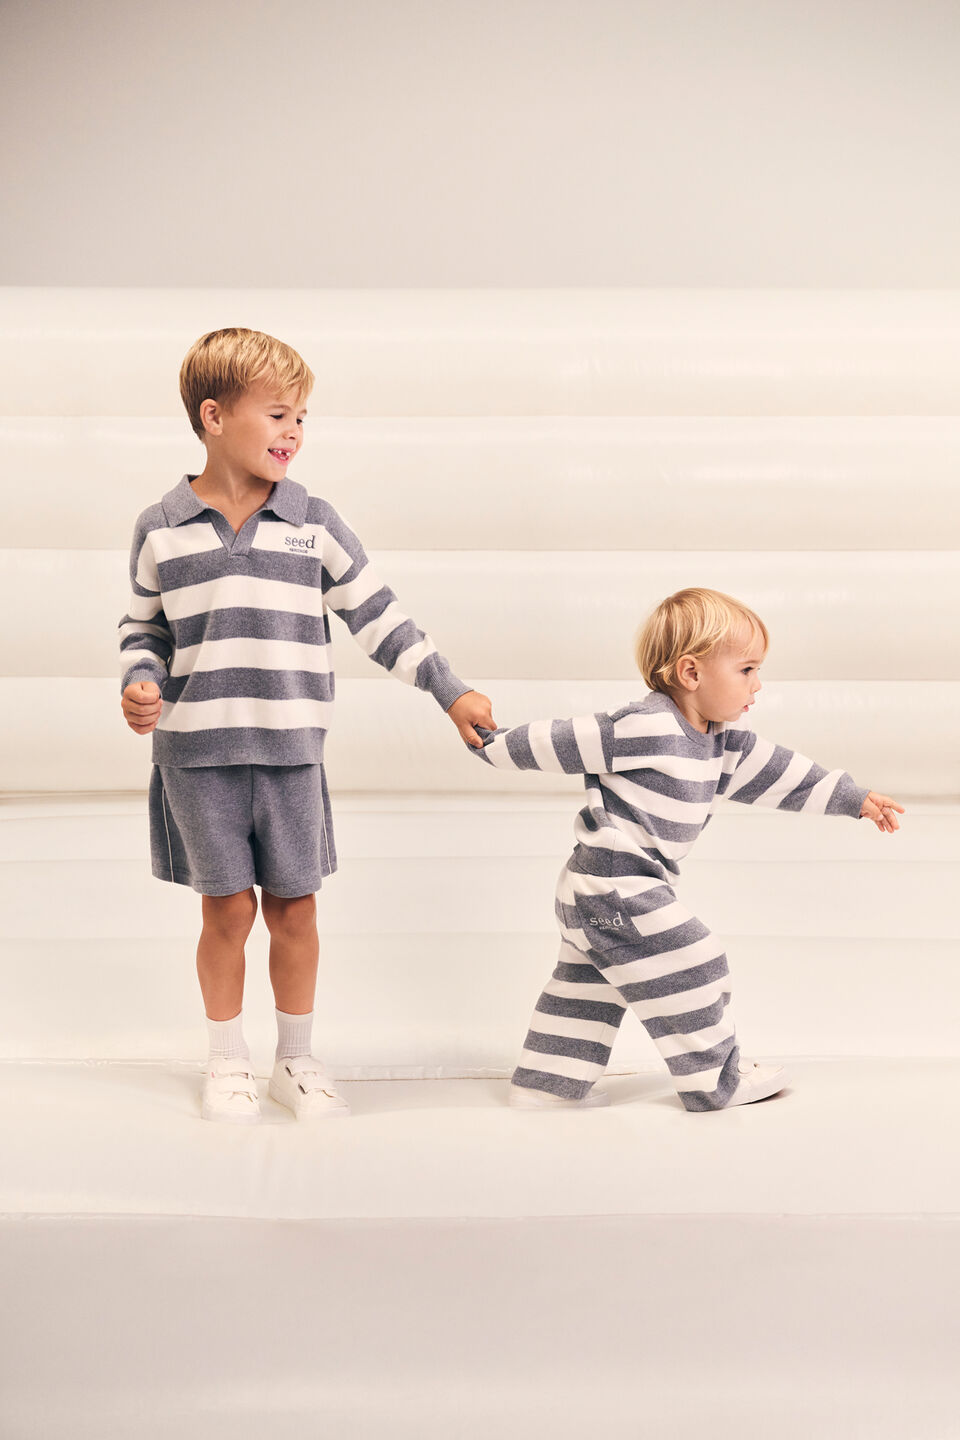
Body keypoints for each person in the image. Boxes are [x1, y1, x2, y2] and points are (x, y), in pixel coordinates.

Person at [119, 327, 494, 1124]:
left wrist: (450, 691)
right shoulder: (162, 525)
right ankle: (227, 1060)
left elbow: (380, 616)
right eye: (278, 414)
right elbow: (144, 627)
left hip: (291, 754)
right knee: (227, 911)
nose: (294, 432)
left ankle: (295, 1058)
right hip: (197, 758)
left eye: (302, 418)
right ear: (214, 417)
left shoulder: (312, 521)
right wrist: (139, 680)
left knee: (295, 909)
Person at [468, 587, 902, 1112]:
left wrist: (854, 799)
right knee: (696, 959)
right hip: (614, 888)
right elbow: (557, 740)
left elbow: (785, 774)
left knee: (587, 989)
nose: (758, 685)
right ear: (691, 673)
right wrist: (489, 740)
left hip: (595, 894)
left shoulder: (725, 744)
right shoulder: (645, 727)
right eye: (747, 670)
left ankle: (545, 1087)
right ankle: (714, 1082)